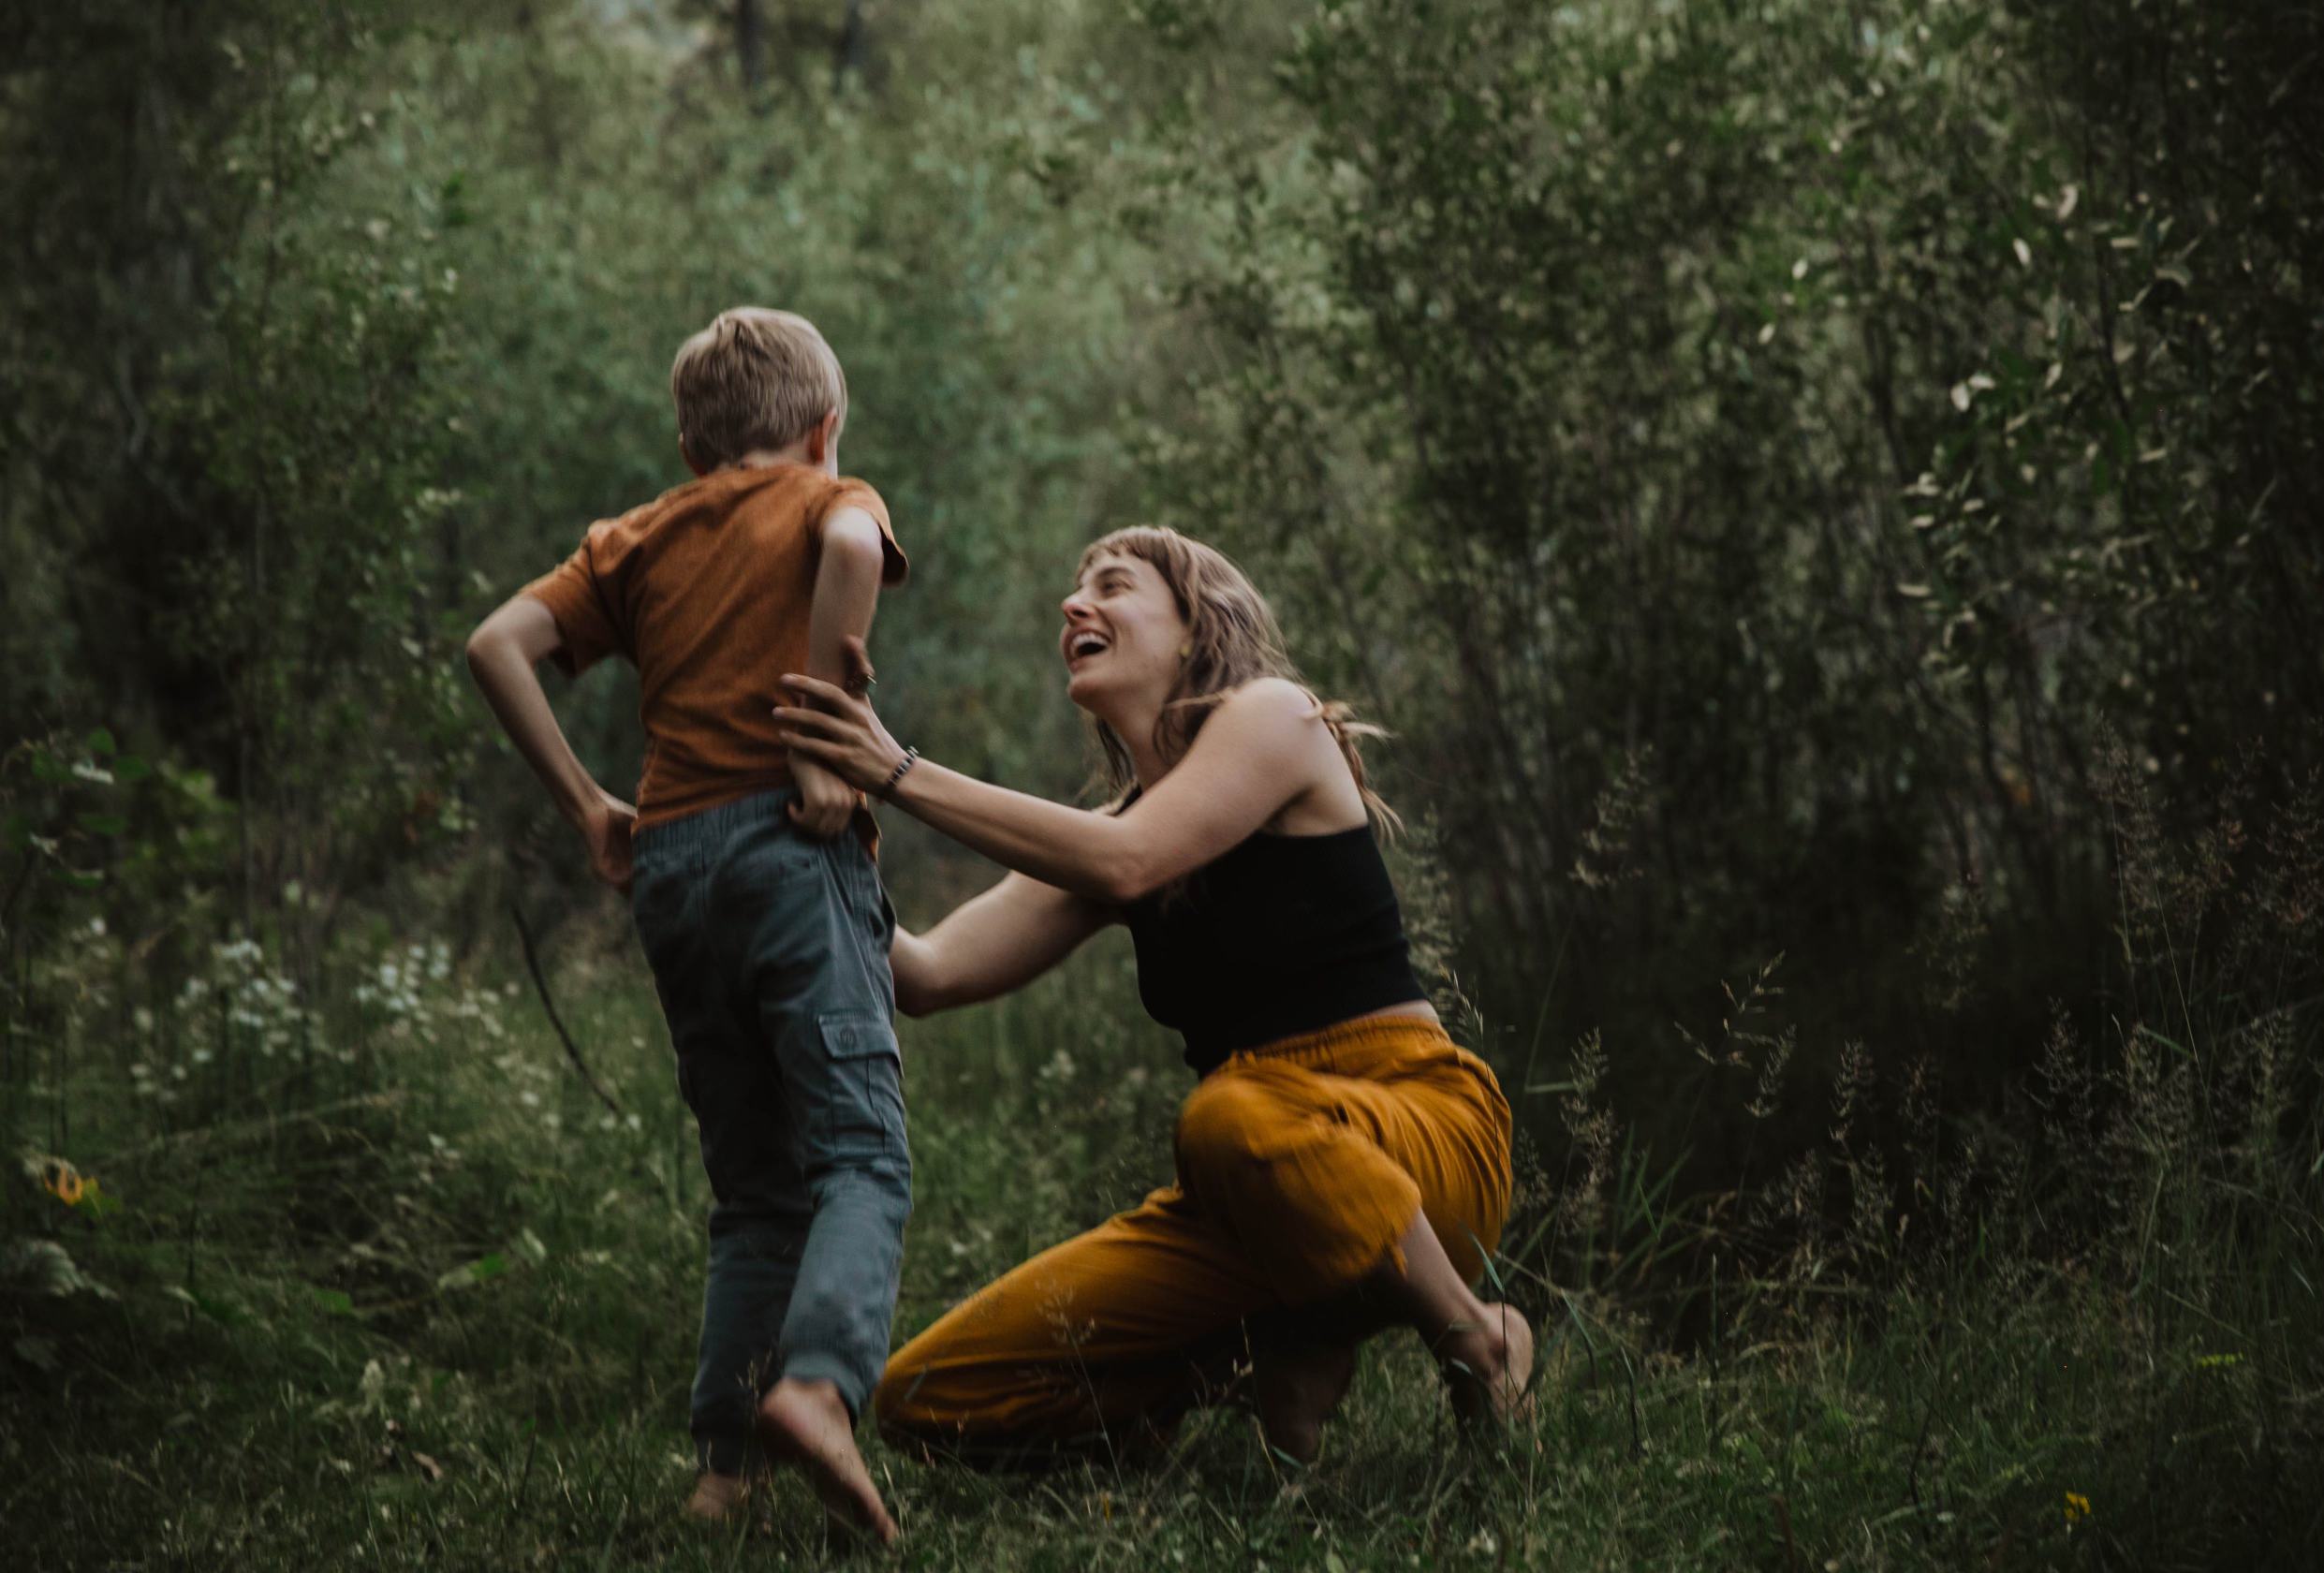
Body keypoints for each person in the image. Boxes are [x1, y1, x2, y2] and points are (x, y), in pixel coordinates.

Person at [773, 526, 1531, 1466]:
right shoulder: (1110, 834)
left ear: (1193, 629)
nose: (1073, 605)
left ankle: (1473, 1336)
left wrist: (897, 772)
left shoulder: (1274, 717)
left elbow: (1131, 864)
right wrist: (807, 839)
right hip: (1251, 1182)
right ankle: (1261, 1352)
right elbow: (924, 975)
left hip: (1421, 1136)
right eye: (1074, 588)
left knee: (1225, 1117)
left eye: (1113, 584)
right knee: (926, 1398)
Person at [464, 308, 909, 1541]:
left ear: (687, 437)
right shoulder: (830, 496)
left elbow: (496, 642)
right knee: (861, 1154)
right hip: (784, 845)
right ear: (823, 431)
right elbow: (859, 550)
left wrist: (591, 809)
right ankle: (819, 1386)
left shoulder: (635, 536)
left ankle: (725, 1471)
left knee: (753, 1188)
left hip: (670, 861)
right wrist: (822, 736)